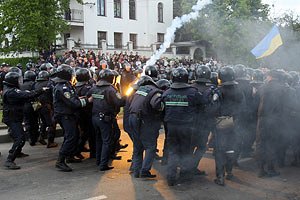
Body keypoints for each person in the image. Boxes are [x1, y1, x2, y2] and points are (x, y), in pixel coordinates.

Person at [162, 67, 208, 186]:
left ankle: (171, 177)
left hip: (171, 127)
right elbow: (203, 104)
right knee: (185, 152)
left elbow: (160, 108)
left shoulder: (167, 92)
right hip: (186, 127)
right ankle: (184, 176)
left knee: (173, 151)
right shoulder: (193, 92)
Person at [2, 71, 47, 169]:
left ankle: (17, 152)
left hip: (13, 117)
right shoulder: (11, 92)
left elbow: (22, 96)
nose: (20, 81)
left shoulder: (9, 88)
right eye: (18, 80)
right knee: (20, 138)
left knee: (18, 136)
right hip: (12, 118)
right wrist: (41, 90)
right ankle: (9, 160)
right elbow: (26, 95)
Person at [52, 64, 89, 172]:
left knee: (74, 135)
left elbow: (73, 98)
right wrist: (87, 100)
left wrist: (79, 98)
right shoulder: (62, 87)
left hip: (68, 115)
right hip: (65, 116)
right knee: (71, 137)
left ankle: (69, 156)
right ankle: (60, 160)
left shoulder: (65, 84)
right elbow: (74, 103)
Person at [87, 69, 125, 171]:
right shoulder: (110, 89)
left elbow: (88, 98)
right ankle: (103, 164)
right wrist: (126, 97)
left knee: (98, 140)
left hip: (95, 118)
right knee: (106, 141)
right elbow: (119, 102)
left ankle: (98, 160)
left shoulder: (94, 88)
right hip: (105, 119)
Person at [214, 66, 245, 186]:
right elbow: (243, 107)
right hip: (235, 124)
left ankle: (220, 177)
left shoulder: (218, 91)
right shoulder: (239, 90)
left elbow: (213, 108)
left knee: (220, 150)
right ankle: (230, 172)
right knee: (231, 149)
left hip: (221, 125)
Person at [129, 75, 163, 178]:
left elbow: (130, 101)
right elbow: (156, 104)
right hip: (144, 120)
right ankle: (144, 171)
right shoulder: (155, 91)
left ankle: (136, 171)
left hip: (132, 118)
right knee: (150, 147)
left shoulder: (139, 90)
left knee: (137, 146)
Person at [191, 65, 219, 175]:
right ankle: (192, 166)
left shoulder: (190, 88)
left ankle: (186, 168)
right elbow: (215, 107)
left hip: (190, 122)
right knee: (201, 146)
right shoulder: (211, 90)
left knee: (190, 146)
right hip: (204, 123)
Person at [75, 68, 95, 158]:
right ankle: (92, 152)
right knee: (90, 133)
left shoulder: (75, 86)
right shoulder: (88, 87)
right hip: (87, 113)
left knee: (83, 133)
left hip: (79, 113)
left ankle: (78, 149)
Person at [35, 70, 58, 148]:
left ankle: (41, 137)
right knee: (52, 124)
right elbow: (54, 94)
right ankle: (50, 141)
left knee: (44, 122)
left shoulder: (36, 84)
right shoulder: (49, 83)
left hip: (38, 106)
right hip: (47, 106)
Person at [20, 71, 42, 146]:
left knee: (27, 122)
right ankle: (35, 137)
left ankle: (30, 138)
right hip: (33, 104)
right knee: (35, 121)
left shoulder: (21, 85)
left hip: (24, 105)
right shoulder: (34, 84)